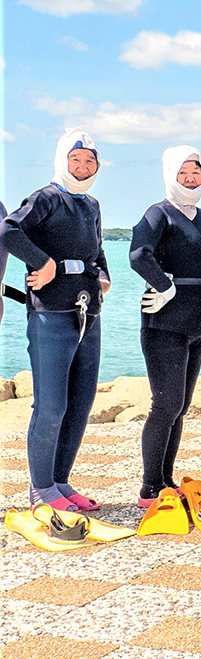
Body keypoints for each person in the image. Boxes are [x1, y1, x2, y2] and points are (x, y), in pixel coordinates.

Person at [0, 129, 110, 511]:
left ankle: (61, 482)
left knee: (80, 403)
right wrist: (43, 263)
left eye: (89, 162)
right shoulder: (46, 198)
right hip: (51, 316)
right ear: (62, 160)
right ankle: (40, 488)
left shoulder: (92, 205)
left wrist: (103, 275)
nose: (82, 167)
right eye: (75, 160)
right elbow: (8, 230)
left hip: (88, 315)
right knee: (51, 406)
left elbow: (96, 251)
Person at [129, 146, 201, 507]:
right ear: (170, 173)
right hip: (164, 322)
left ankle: (166, 480)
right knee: (166, 404)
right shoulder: (159, 213)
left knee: (182, 406)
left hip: (197, 324)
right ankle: (149, 487)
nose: (191, 178)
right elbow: (138, 254)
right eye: (184, 172)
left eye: (197, 172)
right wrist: (164, 286)